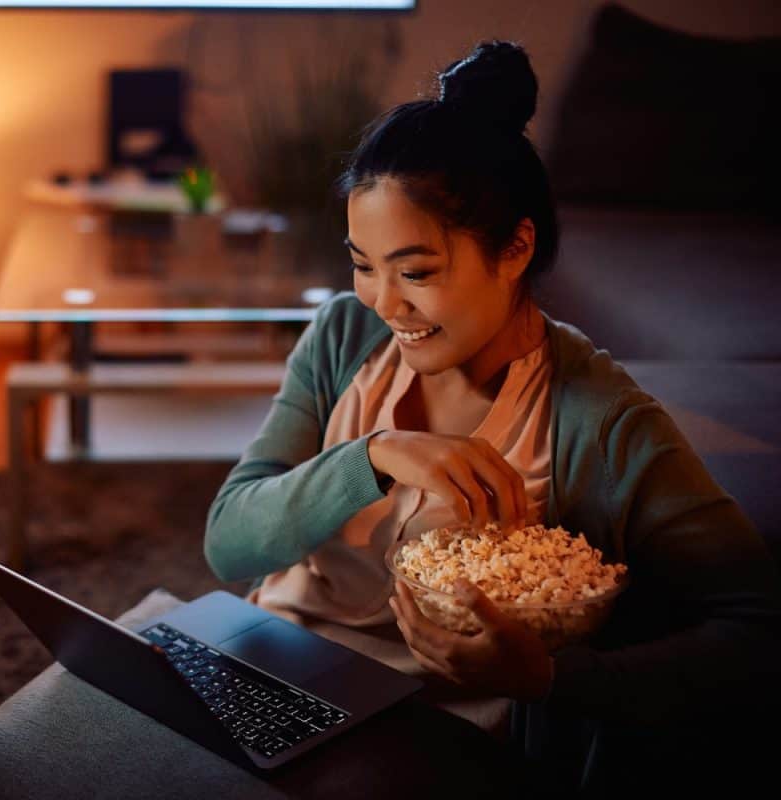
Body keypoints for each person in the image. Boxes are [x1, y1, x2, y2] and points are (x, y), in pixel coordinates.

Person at [203, 40, 781, 797]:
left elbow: (758, 627)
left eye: (415, 272)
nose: (384, 301)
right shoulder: (345, 338)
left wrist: (547, 675)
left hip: (425, 735)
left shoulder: (601, 425)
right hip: (270, 658)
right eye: (363, 264)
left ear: (514, 249)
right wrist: (371, 455)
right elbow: (228, 544)